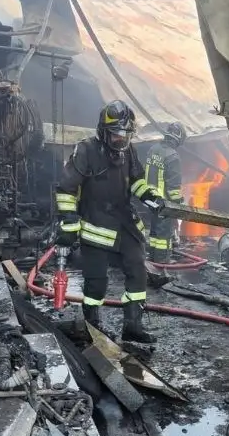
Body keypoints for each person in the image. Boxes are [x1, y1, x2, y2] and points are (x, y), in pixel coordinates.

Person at [53, 100, 166, 344]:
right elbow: (66, 189)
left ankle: (133, 326)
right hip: (95, 223)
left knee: (137, 269)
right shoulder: (85, 150)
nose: (120, 139)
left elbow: (136, 181)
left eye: (125, 134)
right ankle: (92, 326)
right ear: (103, 132)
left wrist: (150, 196)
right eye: (115, 134)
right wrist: (69, 223)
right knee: (96, 281)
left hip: (124, 220)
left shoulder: (129, 151)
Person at [144, 122, 187, 263]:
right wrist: (179, 203)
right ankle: (162, 262)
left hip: (150, 199)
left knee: (154, 231)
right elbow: (173, 189)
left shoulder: (153, 149)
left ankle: (152, 256)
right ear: (178, 138)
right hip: (164, 203)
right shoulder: (173, 156)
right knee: (163, 235)